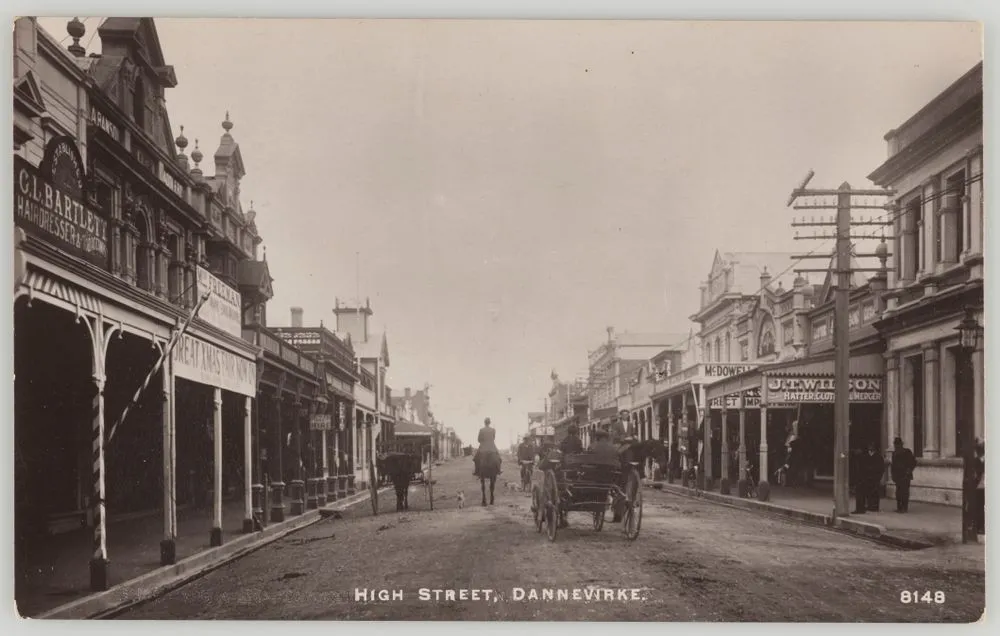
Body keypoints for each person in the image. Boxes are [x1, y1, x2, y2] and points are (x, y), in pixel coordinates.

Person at [854, 442, 884, 514]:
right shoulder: (865, 456)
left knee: (874, 492)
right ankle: (867, 506)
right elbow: (862, 467)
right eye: (869, 446)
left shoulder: (878, 456)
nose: (870, 447)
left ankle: (874, 507)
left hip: (874, 477)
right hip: (866, 477)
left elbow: (881, 468)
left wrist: (878, 477)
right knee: (866, 492)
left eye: (872, 446)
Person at [890, 437, 916, 513]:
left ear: (901, 444)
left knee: (904, 492)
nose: (896, 446)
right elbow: (893, 465)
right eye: (895, 444)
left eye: (897, 444)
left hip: (905, 475)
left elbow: (913, 462)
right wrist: (893, 475)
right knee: (898, 493)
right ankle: (899, 507)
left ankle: (904, 508)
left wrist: (909, 470)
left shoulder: (907, 452)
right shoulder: (894, 453)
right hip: (898, 475)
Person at [973, 439, 985, 535]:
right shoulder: (976, 461)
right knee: (979, 507)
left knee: (980, 507)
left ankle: (980, 527)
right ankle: (980, 527)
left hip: (981, 487)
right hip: (980, 487)